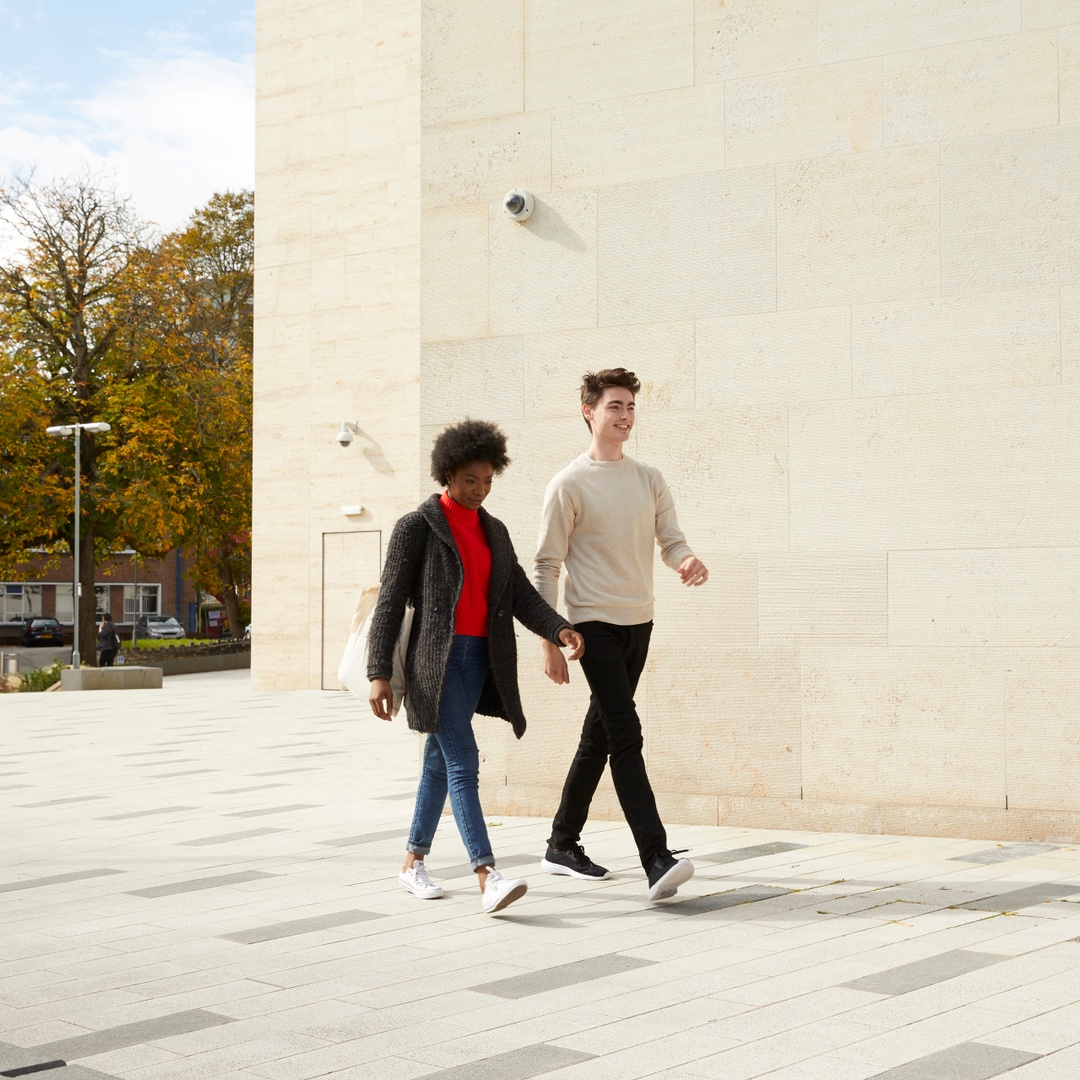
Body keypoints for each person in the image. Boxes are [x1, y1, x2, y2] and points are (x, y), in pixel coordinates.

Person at [368, 419, 585, 915]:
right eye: (470, 480)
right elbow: (389, 602)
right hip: (434, 665)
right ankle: (487, 874)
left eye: (488, 481)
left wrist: (557, 628)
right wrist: (378, 671)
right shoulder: (416, 527)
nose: (479, 490)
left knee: (440, 763)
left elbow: (520, 597)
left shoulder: (494, 530)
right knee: (464, 762)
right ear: (447, 474)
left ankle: (411, 863)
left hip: (478, 662)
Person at [534, 368, 709, 901]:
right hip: (591, 626)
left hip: (640, 621)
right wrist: (551, 640)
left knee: (601, 735)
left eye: (631, 406)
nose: (625, 415)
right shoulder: (567, 483)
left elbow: (671, 540)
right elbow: (546, 565)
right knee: (626, 733)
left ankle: (561, 843)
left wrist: (687, 561)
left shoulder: (648, 478)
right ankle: (655, 857)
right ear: (589, 411)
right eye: (615, 406)